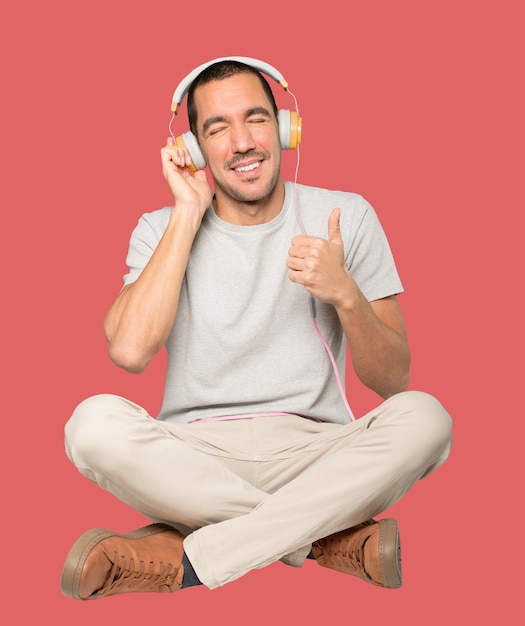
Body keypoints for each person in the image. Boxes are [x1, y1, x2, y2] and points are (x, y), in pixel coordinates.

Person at [60, 57, 452, 601]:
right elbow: (128, 351)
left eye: (256, 118)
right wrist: (186, 212)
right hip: (193, 458)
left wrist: (345, 293)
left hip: (318, 454)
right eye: (217, 129)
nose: (242, 142)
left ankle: (195, 561)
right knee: (90, 426)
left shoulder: (347, 214)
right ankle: (317, 540)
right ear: (193, 149)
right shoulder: (161, 226)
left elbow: (394, 379)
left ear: (285, 127)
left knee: (427, 418)